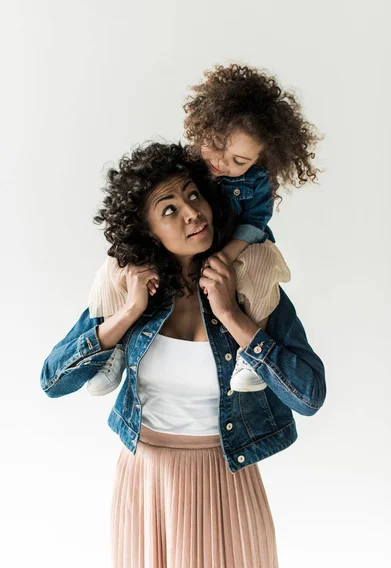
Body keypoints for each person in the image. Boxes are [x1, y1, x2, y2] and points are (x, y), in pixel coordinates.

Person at [40, 142, 326, 568]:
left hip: (230, 478)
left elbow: (309, 396)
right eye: (169, 209)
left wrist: (230, 314)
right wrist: (129, 313)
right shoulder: (128, 289)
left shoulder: (251, 286)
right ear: (147, 231)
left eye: (193, 195)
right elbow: (53, 381)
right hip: (149, 482)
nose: (192, 212)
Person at [86, 63, 322, 396]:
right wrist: (126, 315)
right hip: (179, 255)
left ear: (260, 160)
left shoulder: (256, 184)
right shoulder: (186, 167)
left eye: (239, 161)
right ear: (202, 128)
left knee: (261, 267)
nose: (223, 164)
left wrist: (227, 267)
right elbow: (52, 380)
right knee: (116, 266)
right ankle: (115, 348)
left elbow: (254, 224)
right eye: (216, 145)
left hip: (240, 245)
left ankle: (248, 356)